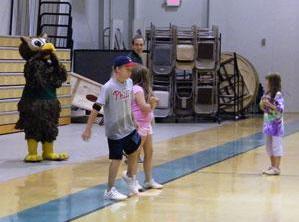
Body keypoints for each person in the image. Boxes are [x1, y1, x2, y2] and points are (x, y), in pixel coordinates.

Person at [82, 56, 141, 200]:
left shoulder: (129, 83)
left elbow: (128, 103)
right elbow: (96, 107)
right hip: (115, 131)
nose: (130, 72)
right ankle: (109, 190)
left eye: (130, 69)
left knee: (135, 151)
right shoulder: (108, 87)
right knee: (116, 159)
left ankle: (130, 177)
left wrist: (134, 119)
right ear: (117, 70)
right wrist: (88, 128)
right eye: (127, 69)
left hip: (129, 126)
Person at [131, 65, 163, 189]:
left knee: (149, 152)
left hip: (146, 125)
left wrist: (152, 101)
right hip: (139, 124)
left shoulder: (143, 89)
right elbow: (145, 108)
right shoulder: (137, 89)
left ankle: (148, 179)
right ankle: (132, 180)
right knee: (136, 154)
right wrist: (153, 104)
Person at [259, 73, 284, 175]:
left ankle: (277, 168)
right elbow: (263, 108)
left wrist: (269, 104)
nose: (266, 83)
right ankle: (272, 166)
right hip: (268, 123)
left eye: (268, 81)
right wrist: (262, 104)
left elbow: (280, 109)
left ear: (272, 82)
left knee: (276, 145)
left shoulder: (278, 94)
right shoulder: (267, 94)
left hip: (276, 124)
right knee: (268, 146)